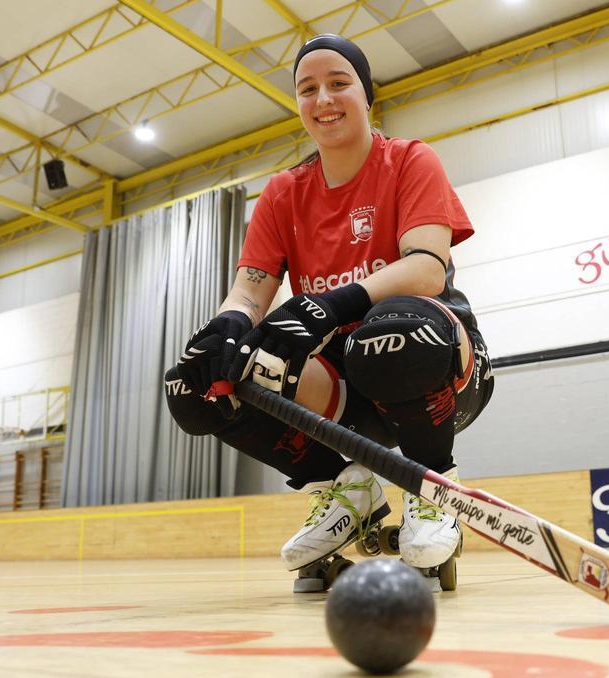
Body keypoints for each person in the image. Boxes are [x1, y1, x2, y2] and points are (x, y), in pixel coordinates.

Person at [164, 34, 493, 591]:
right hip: (346, 389)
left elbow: (426, 267)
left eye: (338, 84)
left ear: (366, 94)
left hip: (437, 367)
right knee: (197, 386)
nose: (323, 99)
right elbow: (249, 291)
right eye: (307, 89)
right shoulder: (283, 193)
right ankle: (342, 486)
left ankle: (429, 487)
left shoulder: (409, 159)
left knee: (388, 335)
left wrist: (331, 302)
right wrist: (228, 327)